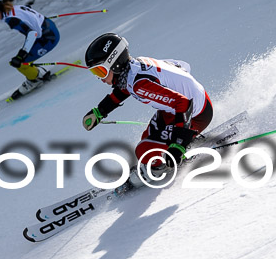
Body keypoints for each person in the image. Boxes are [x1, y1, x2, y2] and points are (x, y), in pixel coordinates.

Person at [81, 33, 213, 189]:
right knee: (147, 139)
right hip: (178, 109)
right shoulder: (134, 68)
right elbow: (126, 88)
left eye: (101, 72)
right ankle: (171, 148)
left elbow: (183, 103)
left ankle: (165, 164)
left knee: (144, 151)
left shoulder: (140, 84)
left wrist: (179, 144)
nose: (100, 78)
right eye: (95, 73)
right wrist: (101, 111)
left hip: (195, 115)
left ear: (115, 64)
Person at [0, 0, 60, 98]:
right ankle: (37, 73)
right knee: (21, 59)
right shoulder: (13, 9)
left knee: (20, 63)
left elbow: (32, 33)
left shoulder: (12, 20)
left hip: (48, 38)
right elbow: (28, 11)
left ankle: (35, 80)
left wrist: (22, 54)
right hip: (48, 27)